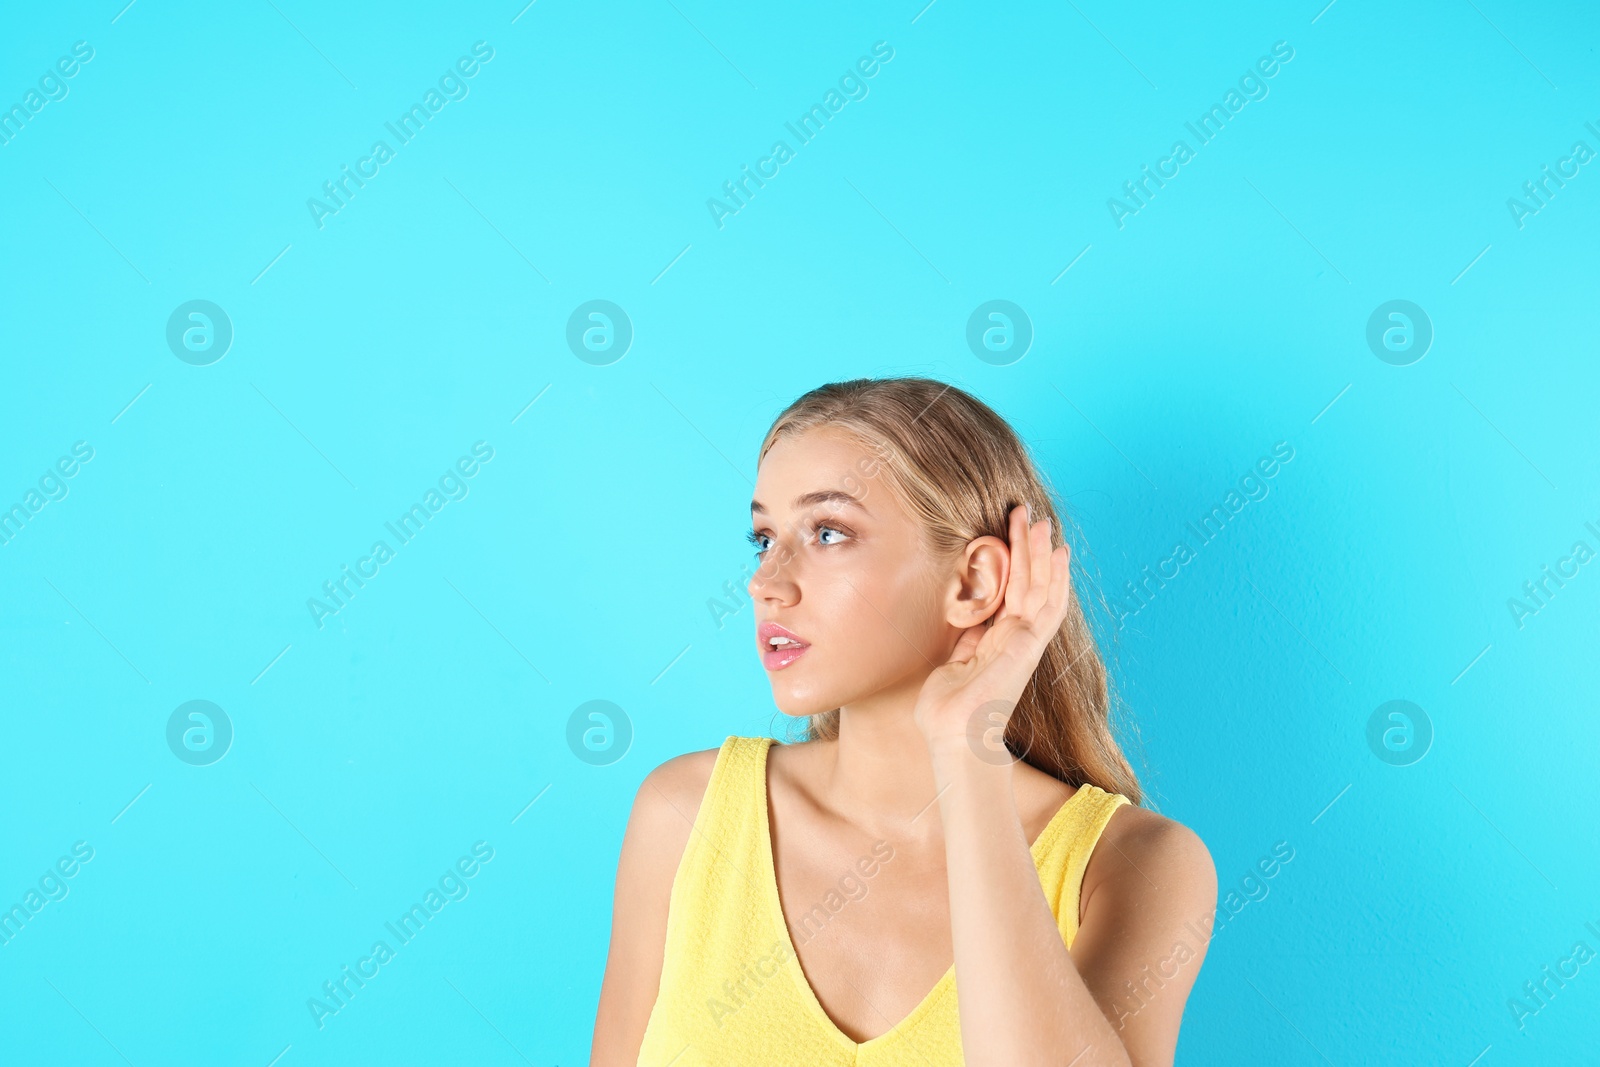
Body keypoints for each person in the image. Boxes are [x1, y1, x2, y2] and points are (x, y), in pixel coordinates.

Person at [592, 377, 1217, 1066]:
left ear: (973, 583)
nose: (766, 581)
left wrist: (965, 743)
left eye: (828, 533)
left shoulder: (1139, 867)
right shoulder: (683, 815)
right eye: (764, 536)